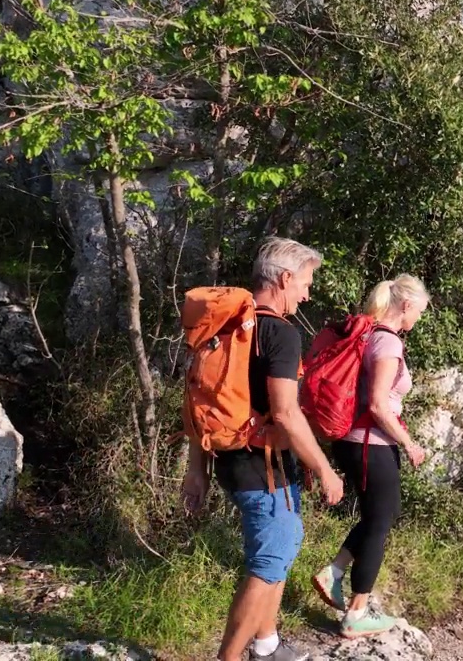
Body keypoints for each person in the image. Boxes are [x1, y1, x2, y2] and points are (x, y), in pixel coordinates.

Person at [181, 237, 345, 661]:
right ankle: (229, 658)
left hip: (230, 460)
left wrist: (195, 470)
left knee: (282, 549)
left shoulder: (224, 326)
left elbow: (198, 402)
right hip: (262, 467)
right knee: (268, 563)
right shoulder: (279, 333)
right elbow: (287, 414)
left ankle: (266, 644)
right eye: (305, 283)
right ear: (285, 278)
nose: (307, 294)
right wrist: (325, 470)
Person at [310, 273, 431, 638]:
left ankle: (334, 571)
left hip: (353, 440)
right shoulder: (388, 343)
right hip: (370, 443)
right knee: (378, 524)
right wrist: (408, 443)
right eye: (419, 312)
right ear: (406, 306)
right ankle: (356, 613)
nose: (418, 320)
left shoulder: (366, 335)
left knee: (385, 513)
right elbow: (379, 405)